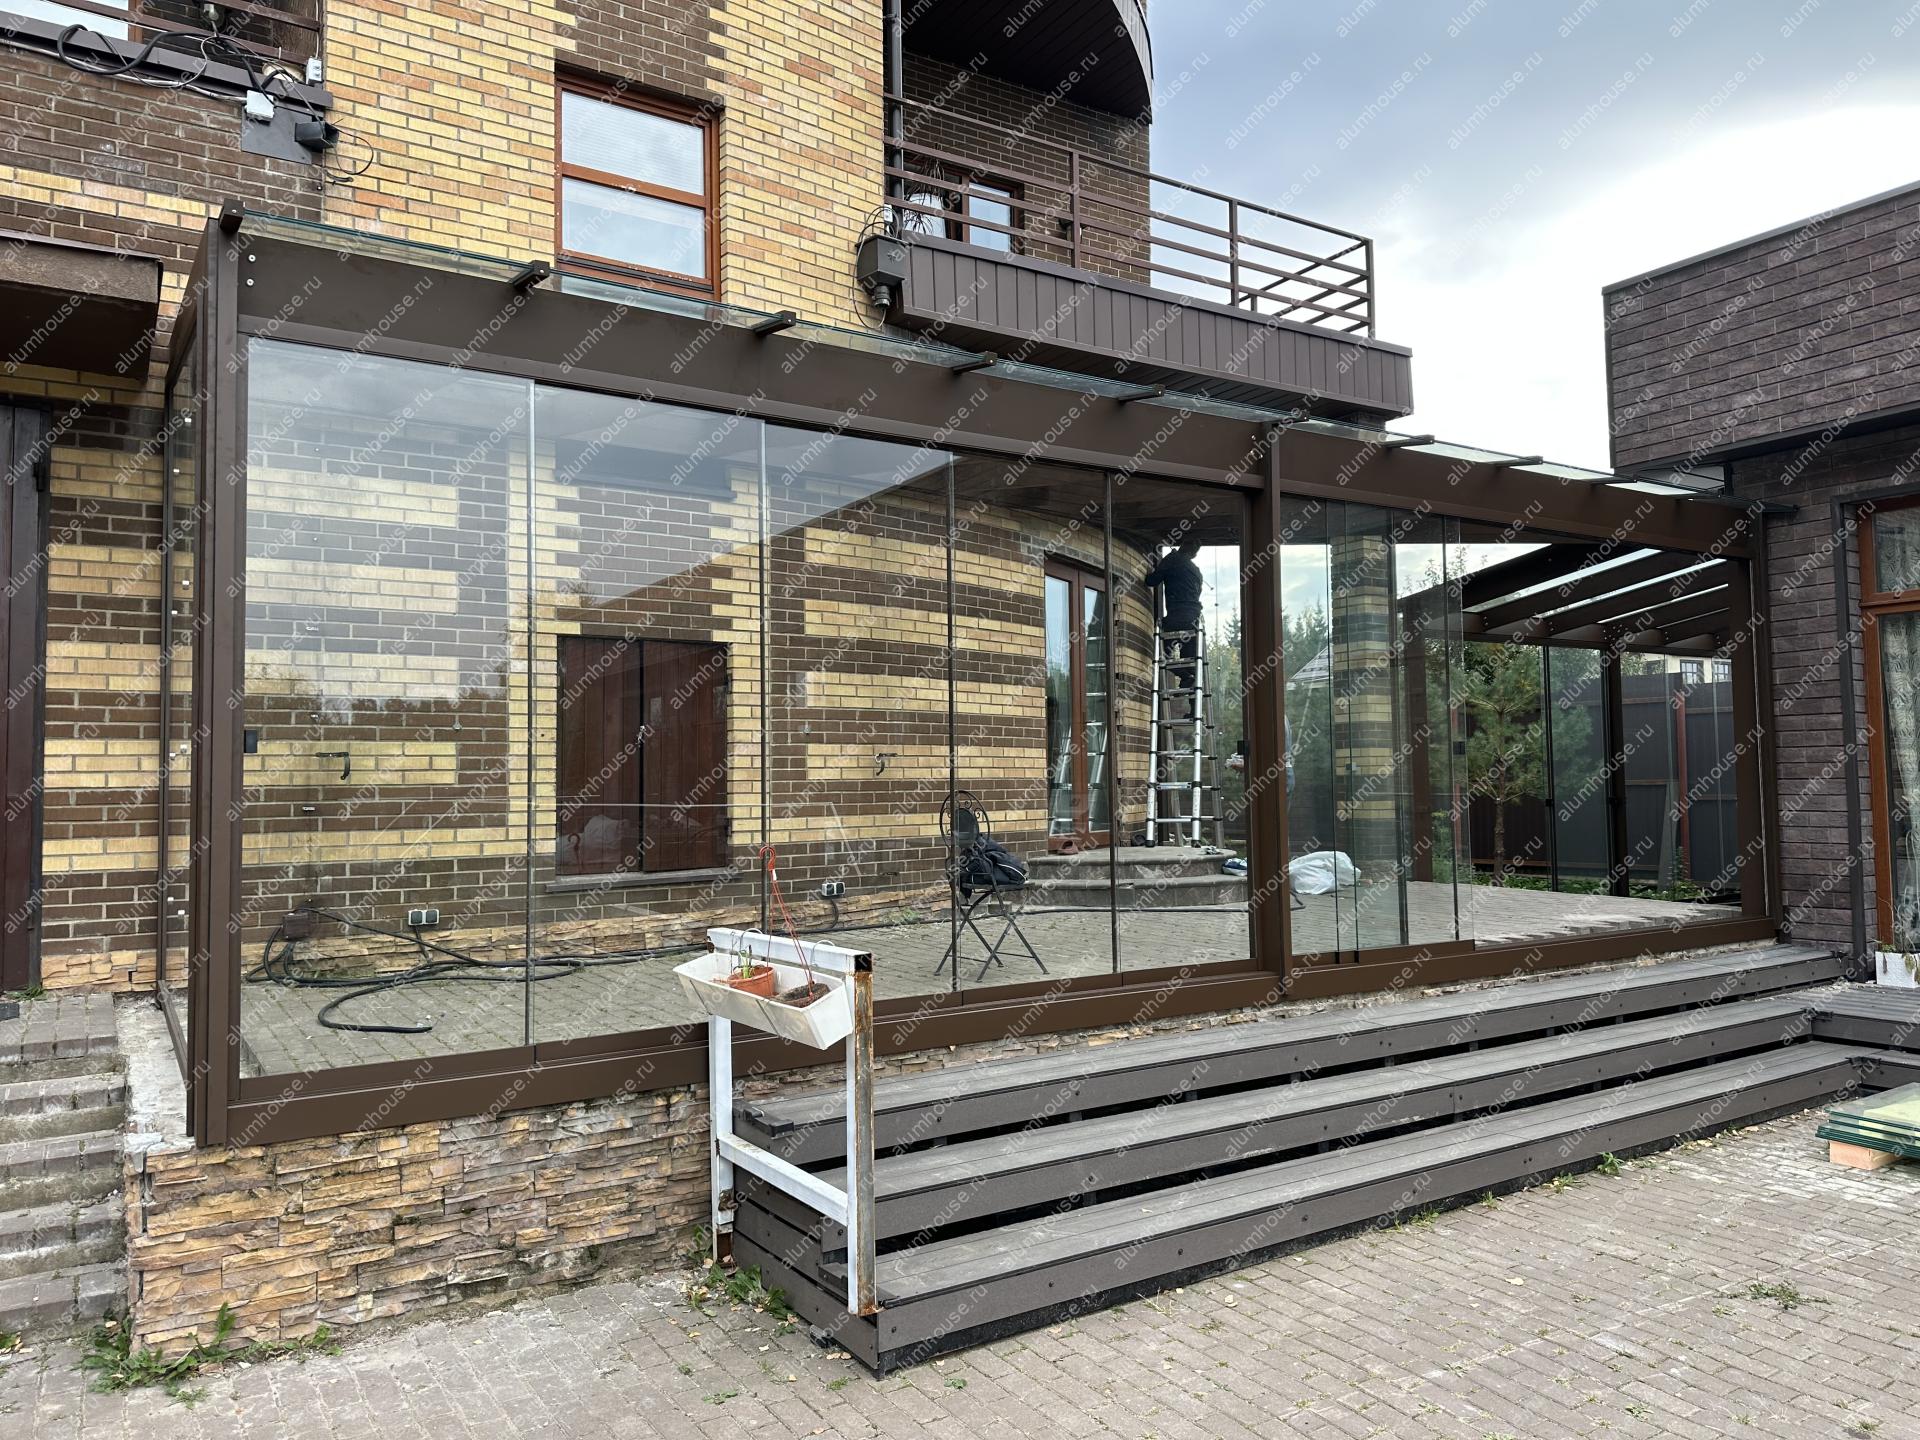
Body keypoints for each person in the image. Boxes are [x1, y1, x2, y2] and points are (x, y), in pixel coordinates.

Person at [1145, 539, 1204, 708]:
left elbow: (1151, 581)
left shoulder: (1172, 560)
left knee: (1164, 657)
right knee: (1192, 664)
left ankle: (1185, 677)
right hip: (1194, 620)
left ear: (1182, 547)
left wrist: (1159, 565)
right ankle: (1193, 710)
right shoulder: (1196, 571)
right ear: (1194, 554)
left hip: (1176, 617)